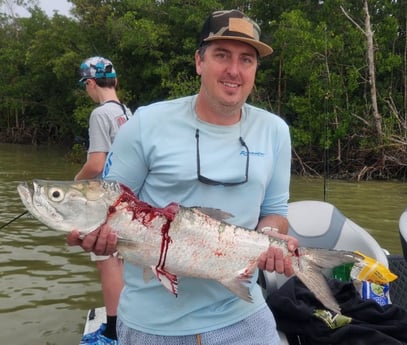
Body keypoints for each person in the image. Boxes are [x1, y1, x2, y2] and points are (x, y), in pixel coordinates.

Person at [68, 10, 298, 345]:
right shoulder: (146, 124)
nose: (234, 70)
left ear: (254, 70)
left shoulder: (275, 131)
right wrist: (96, 235)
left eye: (246, 60)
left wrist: (270, 237)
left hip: (243, 315)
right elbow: (110, 203)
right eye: (222, 55)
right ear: (199, 62)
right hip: (152, 326)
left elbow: (276, 213)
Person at [75, 56, 132, 345]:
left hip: (104, 203)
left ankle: (112, 332)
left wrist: (74, 185)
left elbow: (97, 163)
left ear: (91, 82)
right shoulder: (126, 111)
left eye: (85, 84)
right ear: (116, 81)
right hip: (126, 201)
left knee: (106, 262)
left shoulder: (100, 114)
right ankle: (122, 323)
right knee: (119, 261)